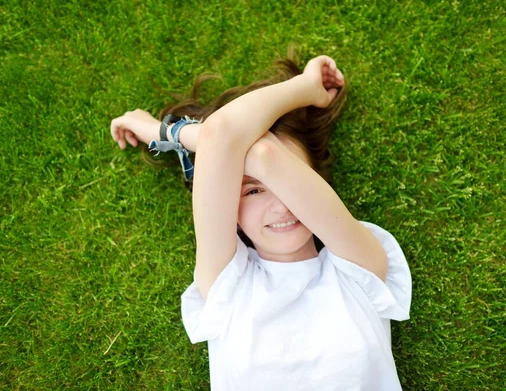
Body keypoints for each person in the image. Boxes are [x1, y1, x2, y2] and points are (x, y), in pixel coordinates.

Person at [110, 53, 412, 390]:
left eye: (289, 181)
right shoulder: (229, 283)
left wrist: (169, 133)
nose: (280, 206)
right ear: (231, 212)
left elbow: (244, 147)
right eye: (252, 191)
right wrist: (302, 89)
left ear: (318, 185)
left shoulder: (359, 269)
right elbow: (221, 136)